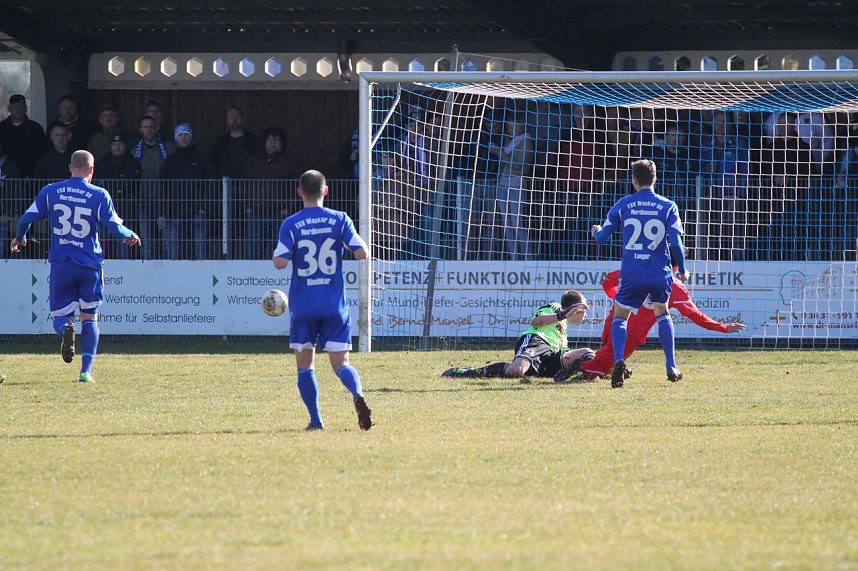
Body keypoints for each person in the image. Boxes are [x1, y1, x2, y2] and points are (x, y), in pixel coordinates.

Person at [9, 150, 141, 383]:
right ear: (91, 169)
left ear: (70, 167)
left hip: (62, 264)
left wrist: (20, 237)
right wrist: (130, 234)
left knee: (60, 316)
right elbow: (114, 226)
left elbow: (25, 220)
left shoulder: (51, 191)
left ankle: (65, 330)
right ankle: (86, 371)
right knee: (90, 318)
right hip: (90, 265)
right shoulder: (99, 194)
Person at [272, 169, 373, 432]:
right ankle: (357, 393)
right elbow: (362, 252)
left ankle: (316, 420)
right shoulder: (340, 219)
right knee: (341, 364)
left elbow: (280, 262)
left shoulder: (291, 224)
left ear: (299, 192)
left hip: (303, 306)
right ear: (326, 191)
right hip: (333, 305)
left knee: (305, 364)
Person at [591, 159, 689, 388]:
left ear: (633, 180)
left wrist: (595, 231)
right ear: (655, 179)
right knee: (662, 312)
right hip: (659, 272)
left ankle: (618, 361)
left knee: (620, 316)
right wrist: (682, 268)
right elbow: (676, 242)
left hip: (632, 272)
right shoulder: (668, 206)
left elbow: (602, 239)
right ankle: (671, 365)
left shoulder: (623, 204)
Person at [555, 269, 746, 382]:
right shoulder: (674, 287)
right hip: (630, 334)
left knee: (609, 358)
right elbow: (695, 316)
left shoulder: (635, 269)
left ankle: (601, 367)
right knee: (595, 370)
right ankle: (581, 368)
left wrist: (619, 300)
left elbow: (607, 282)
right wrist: (723, 328)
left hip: (614, 323)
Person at [441, 290, 594, 379]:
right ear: (575, 308)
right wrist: (563, 314)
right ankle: (470, 372)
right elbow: (536, 322)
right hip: (537, 342)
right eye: (584, 310)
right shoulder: (556, 308)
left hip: (549, 359)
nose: (586, 315)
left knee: (587, 353)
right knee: (516, 370)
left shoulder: (564, 332)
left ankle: (592, 373)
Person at [158, 122, 215, 260]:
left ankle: (203, 276)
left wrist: (204, 207)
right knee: (173, 252)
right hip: (174, 213)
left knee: (201, 251)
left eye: (186, 134)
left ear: (191, 137)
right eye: (180, 134)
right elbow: (162, 188)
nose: (183, 137)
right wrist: (162, 213)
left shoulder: (202, 159)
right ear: (176, 138)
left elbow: (210, 185)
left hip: (197, 212)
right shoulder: (169, 161)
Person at [241, 126, 291, 259]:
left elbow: (295, 187)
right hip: (255, 214)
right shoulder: (253, 162)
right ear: (264, 143)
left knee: (282, 252)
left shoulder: (289, 163)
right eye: (270, 140)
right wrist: (247, 207)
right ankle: (251, 278)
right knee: (253, 252)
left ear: (282, 143)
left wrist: (288, 208)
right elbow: (244, 185)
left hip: (280, 214)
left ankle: (282, 279)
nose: (273, 143)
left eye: (277, 140)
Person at [0, 94, 46, 178]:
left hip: (29, 175)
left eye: (21, 106)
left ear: (26, 108)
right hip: (5, 175)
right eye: (15, 106)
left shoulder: (35, 128)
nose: (19, 109)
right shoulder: (2, 127)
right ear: (9, 108)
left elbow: (41, 152)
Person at [210, 106, 261, 178]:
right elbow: (212, 163)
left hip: (248, 185)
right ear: (227, 121)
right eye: (230, 117)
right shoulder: (220, 142)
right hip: (225, 185)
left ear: (242, 119)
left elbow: (259, 161)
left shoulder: (253, 140)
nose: (234, 120)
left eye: (237, 116)